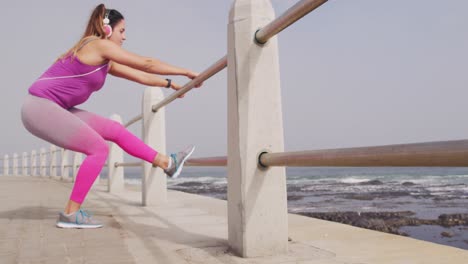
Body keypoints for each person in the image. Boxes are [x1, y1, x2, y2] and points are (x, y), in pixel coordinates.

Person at [21, 4, 199, 229]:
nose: (125, 37)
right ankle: (70, 213)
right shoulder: (98, 46)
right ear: (107, 30)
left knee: (114, 130)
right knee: (99, 149)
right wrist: (187, 71)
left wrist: (171, 84)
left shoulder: (104, 59)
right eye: (121, 31)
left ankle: (167, 163)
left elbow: (141, 76)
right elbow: (147, 63)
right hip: (39, 106)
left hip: (53, 107)